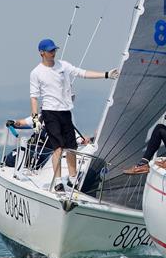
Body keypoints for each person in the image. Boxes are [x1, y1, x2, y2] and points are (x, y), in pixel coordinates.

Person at [30, 38, 118, 193]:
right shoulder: (36, 72)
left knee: (72, 147)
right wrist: (35, 117)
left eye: (54, 50)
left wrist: (106, 74)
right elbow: (34, 96)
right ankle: (58, 181)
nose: (53, 52)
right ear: (41, 53)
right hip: (50, 112)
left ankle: (72, 178)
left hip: (65, 112)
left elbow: (82, 73)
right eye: (50, 50)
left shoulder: (63, 65)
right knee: (58, 148)